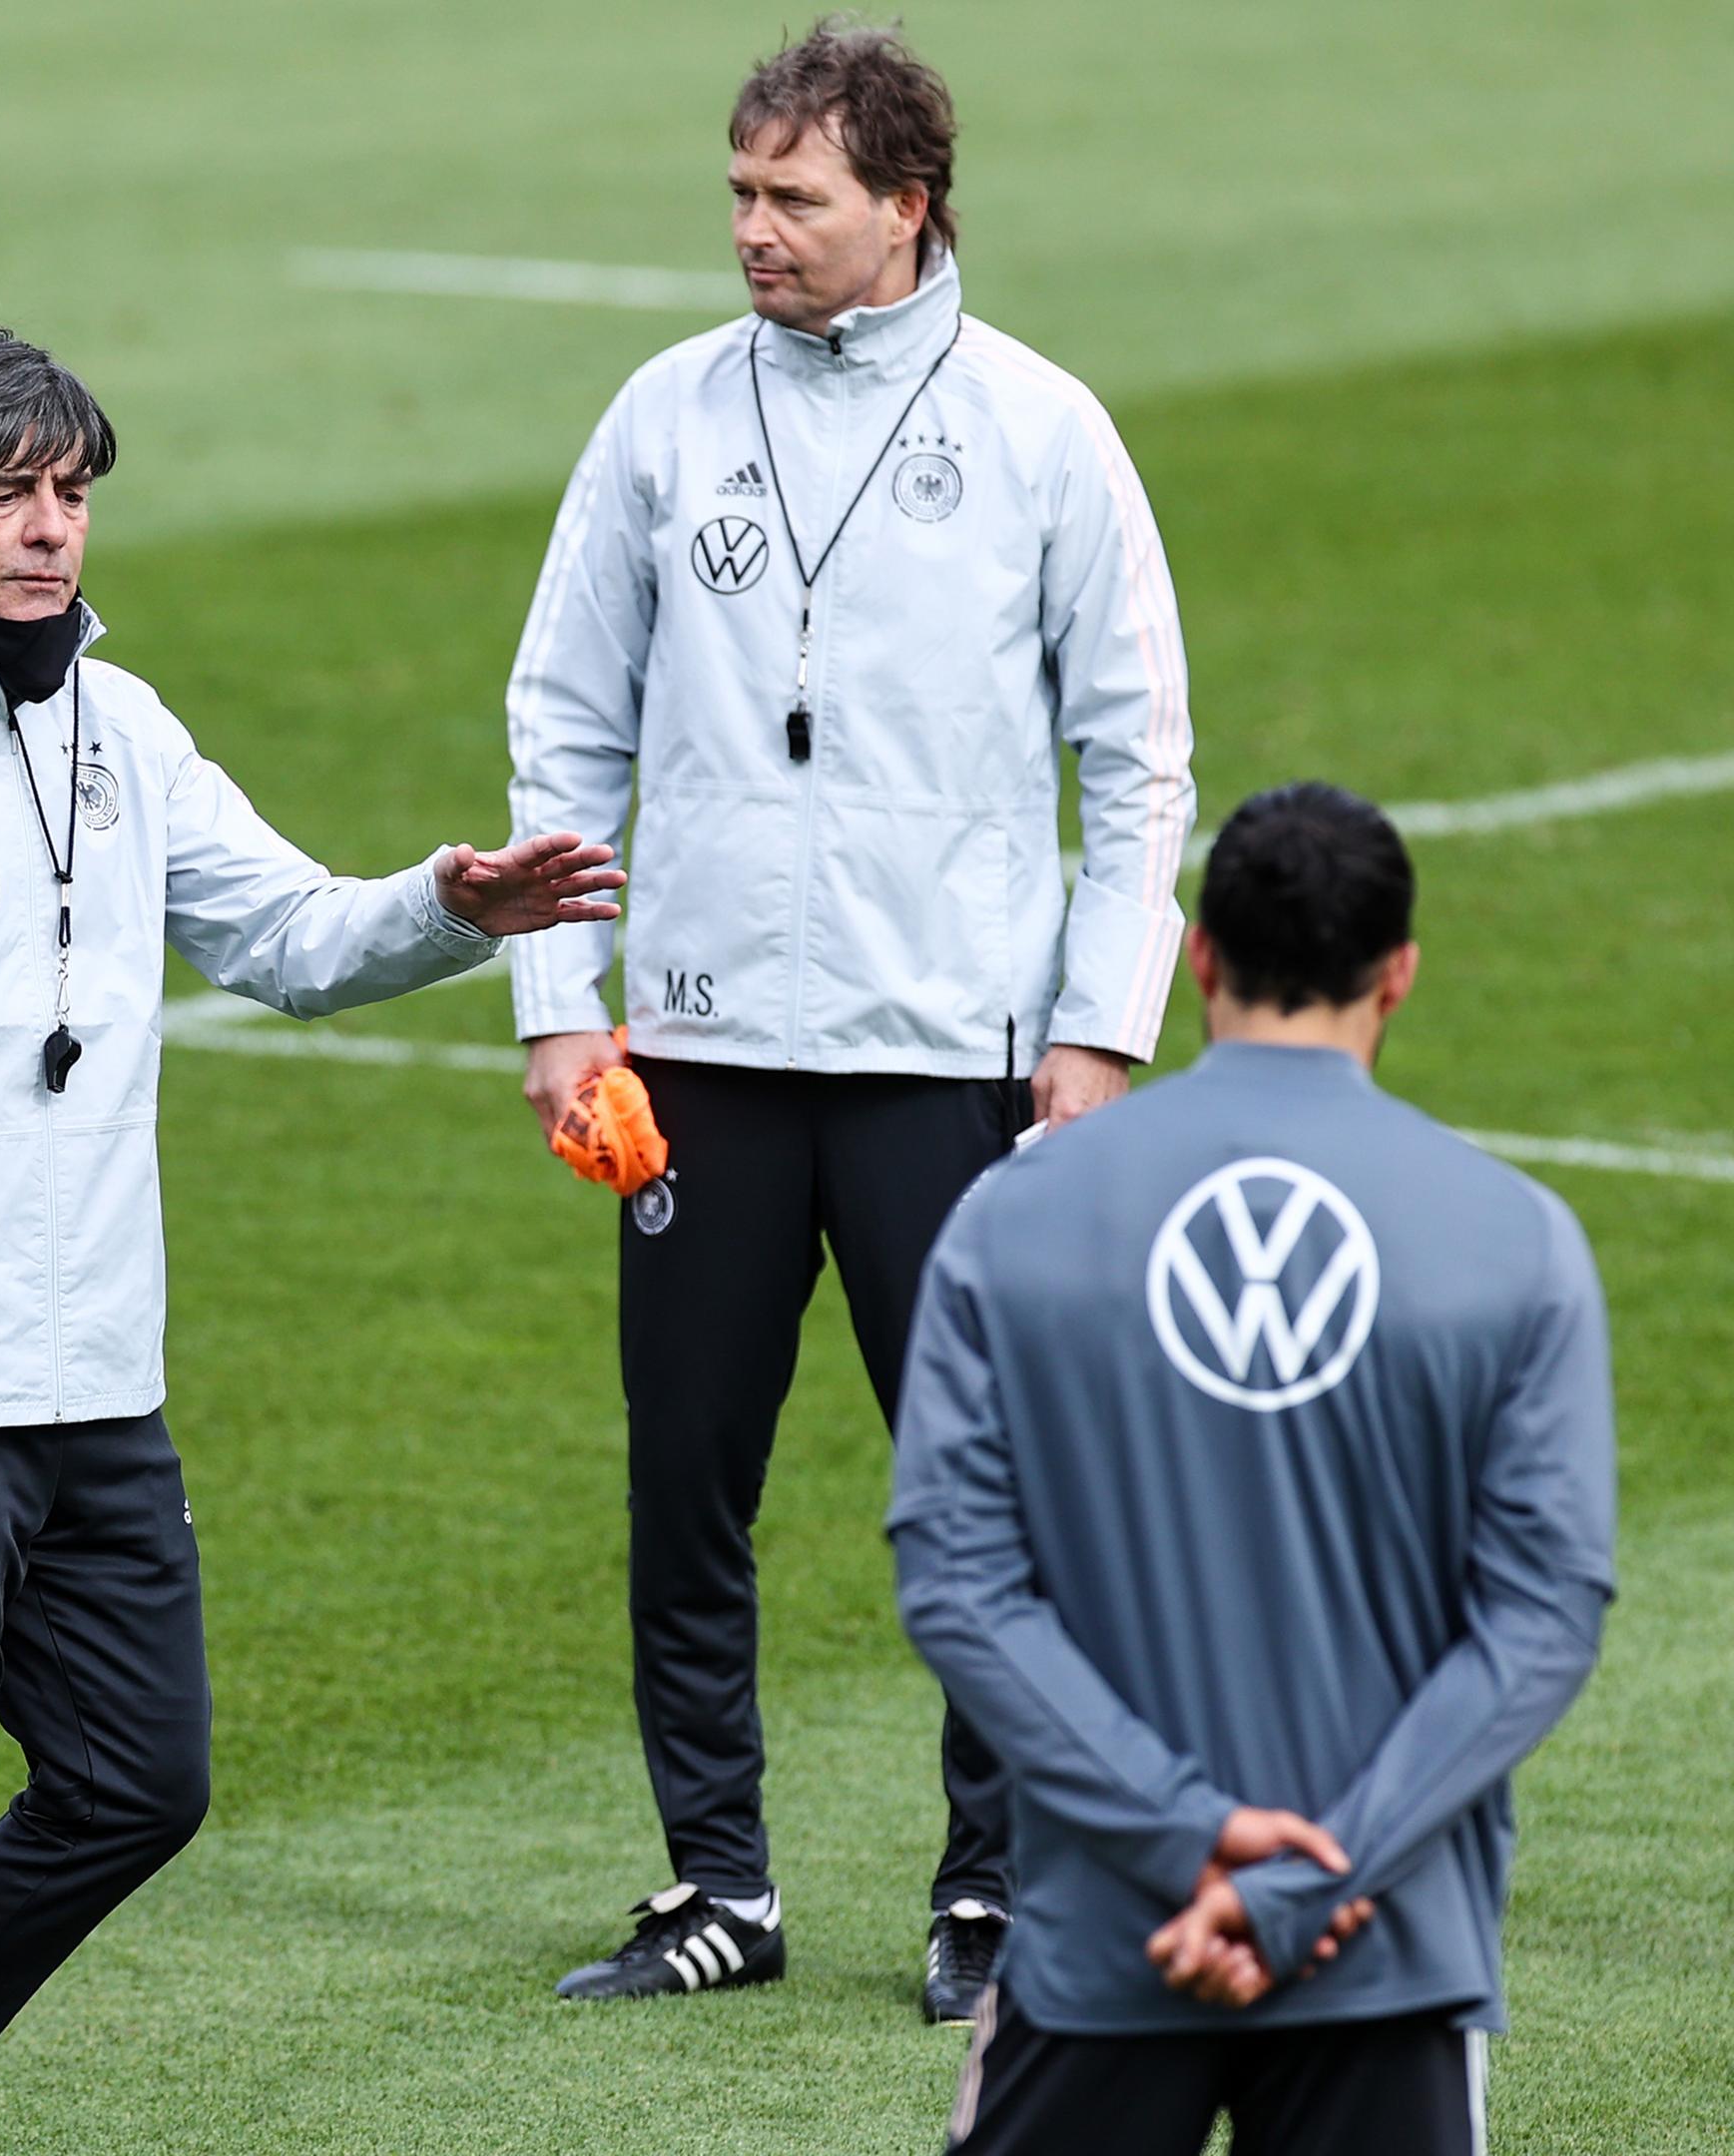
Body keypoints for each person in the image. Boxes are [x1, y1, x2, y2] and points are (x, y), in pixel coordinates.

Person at [0, 328, 620, 2156]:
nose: (49, 530)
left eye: (71, 493)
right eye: (5, 493)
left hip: (95, 1389)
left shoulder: (122, 726)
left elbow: (291, 938)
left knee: (137, 1789)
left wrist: (446, 908)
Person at [496, 17, 1197, 2017]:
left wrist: (1098, 1033)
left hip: (947, 1066)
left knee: (981, 1493)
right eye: (737, 192)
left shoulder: (1043, 428)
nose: (752, 231)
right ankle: (715, 1883)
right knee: (683, 1478)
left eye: (792, 198)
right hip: (700, 1057)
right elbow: (562, 712)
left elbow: (1134, 750)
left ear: (905, 208)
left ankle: (992, 1893)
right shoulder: (661, 415)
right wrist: (566, 1006)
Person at [889, 783, 1612, 2154]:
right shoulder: (1517, 1240)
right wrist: (1302, 1887)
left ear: (1202, 959)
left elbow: (956, 1587)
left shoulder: (1013, 1218)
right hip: (1388, 1947)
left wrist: (1182, 1839)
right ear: (1399, 973)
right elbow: (1541, 1619)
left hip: (1104, 1938)